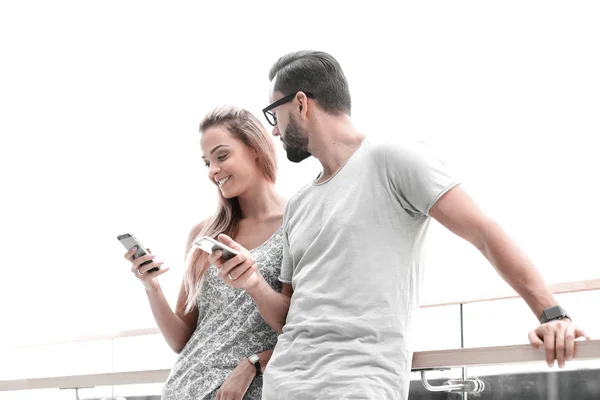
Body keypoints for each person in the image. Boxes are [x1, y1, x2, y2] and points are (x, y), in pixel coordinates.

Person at [209, 51, 590, 399]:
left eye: (274, 115)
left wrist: (552, 314)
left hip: (358, 386)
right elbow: (289, 318)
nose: (274, 130)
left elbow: (484, 233)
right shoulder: (299, 205)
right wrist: (254, 283)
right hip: (284, 388)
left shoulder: (393, 158)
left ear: (301, 103)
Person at [124, 105, 287, 400]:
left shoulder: (296, 224)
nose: (213, 171)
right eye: (206, 162)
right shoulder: (204, 235)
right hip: (182, 388)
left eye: (222, 156)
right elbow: (180, 339)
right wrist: (152, 286)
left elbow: (302, 326)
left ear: (255, 149)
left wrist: (254, 364)